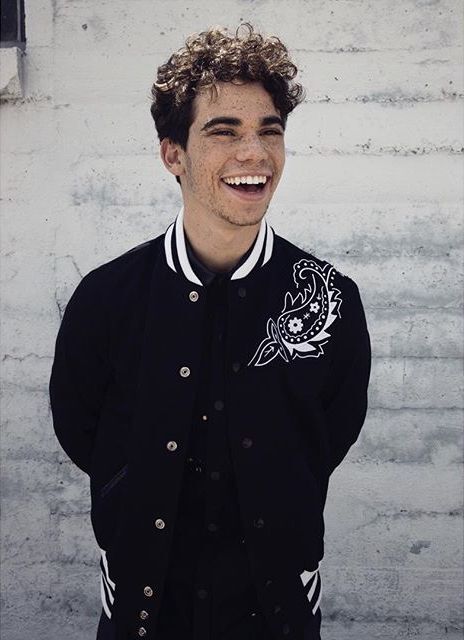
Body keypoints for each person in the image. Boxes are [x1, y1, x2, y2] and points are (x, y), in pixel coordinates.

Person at [49, 23, 371, 640]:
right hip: (142, 610)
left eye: (269, 131)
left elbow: (330, 432)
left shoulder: (330, 299)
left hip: (278, 611)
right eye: (224, 131)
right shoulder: (106, 299)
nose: (254, 154)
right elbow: (81, 428)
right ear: (173, 154)